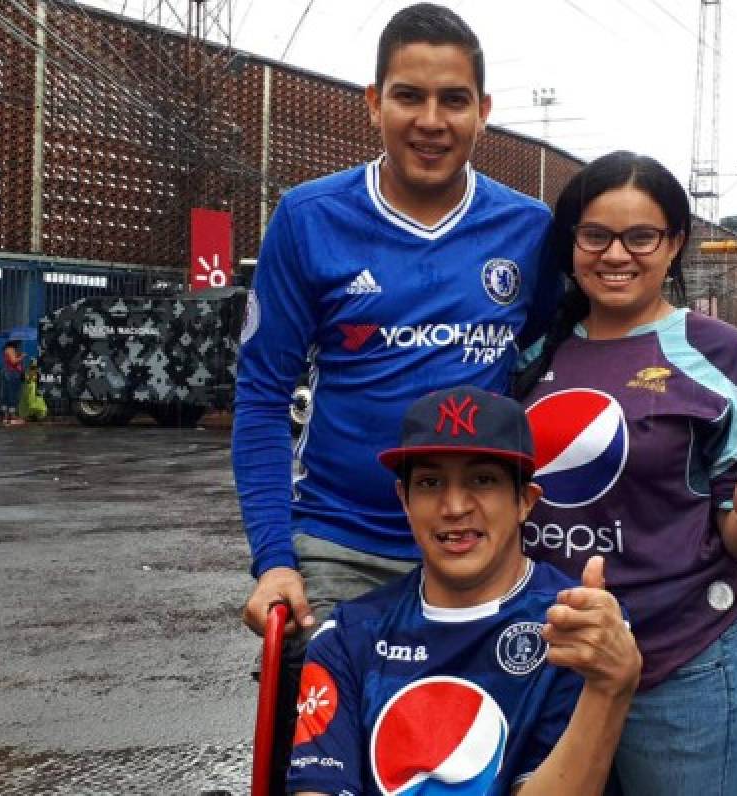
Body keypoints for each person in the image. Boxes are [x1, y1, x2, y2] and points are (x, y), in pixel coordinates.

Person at [231, 5, 560, 790]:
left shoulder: (530, 230)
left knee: (463, 765)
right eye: (409, 96)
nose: (431, 120)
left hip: (478, 552)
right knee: (325, 768)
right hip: (340, 550)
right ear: (372, 101)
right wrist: (274, 561)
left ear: (484, 111)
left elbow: (558, 372)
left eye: (454, 100)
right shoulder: (308, 220)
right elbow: (261, 396)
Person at [513, 151, 737, 794]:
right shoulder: (535, 350)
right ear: (572, 242)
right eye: (595, 235)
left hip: (685, 666)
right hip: (551, 662)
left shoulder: (720, 355)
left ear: (673, 243)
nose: (616, 254)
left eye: (640, 235)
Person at [287, 386, 641, 795]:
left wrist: (608, 688)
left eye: (483, 479)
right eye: (430, 482)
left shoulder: (576, 625)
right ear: (404, 499)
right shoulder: (347, 636)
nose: (454, 506)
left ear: (525, 500)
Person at [0, 340, 26, 427]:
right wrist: (22, 357)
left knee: (7, 394)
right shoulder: (10, 349)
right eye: (19, 342)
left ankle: (6, 417)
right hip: (12, 374)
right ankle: (12, 417)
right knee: (13, 394)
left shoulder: (8, 349)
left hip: (9, 373)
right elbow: (13, 361)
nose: (20, 344)